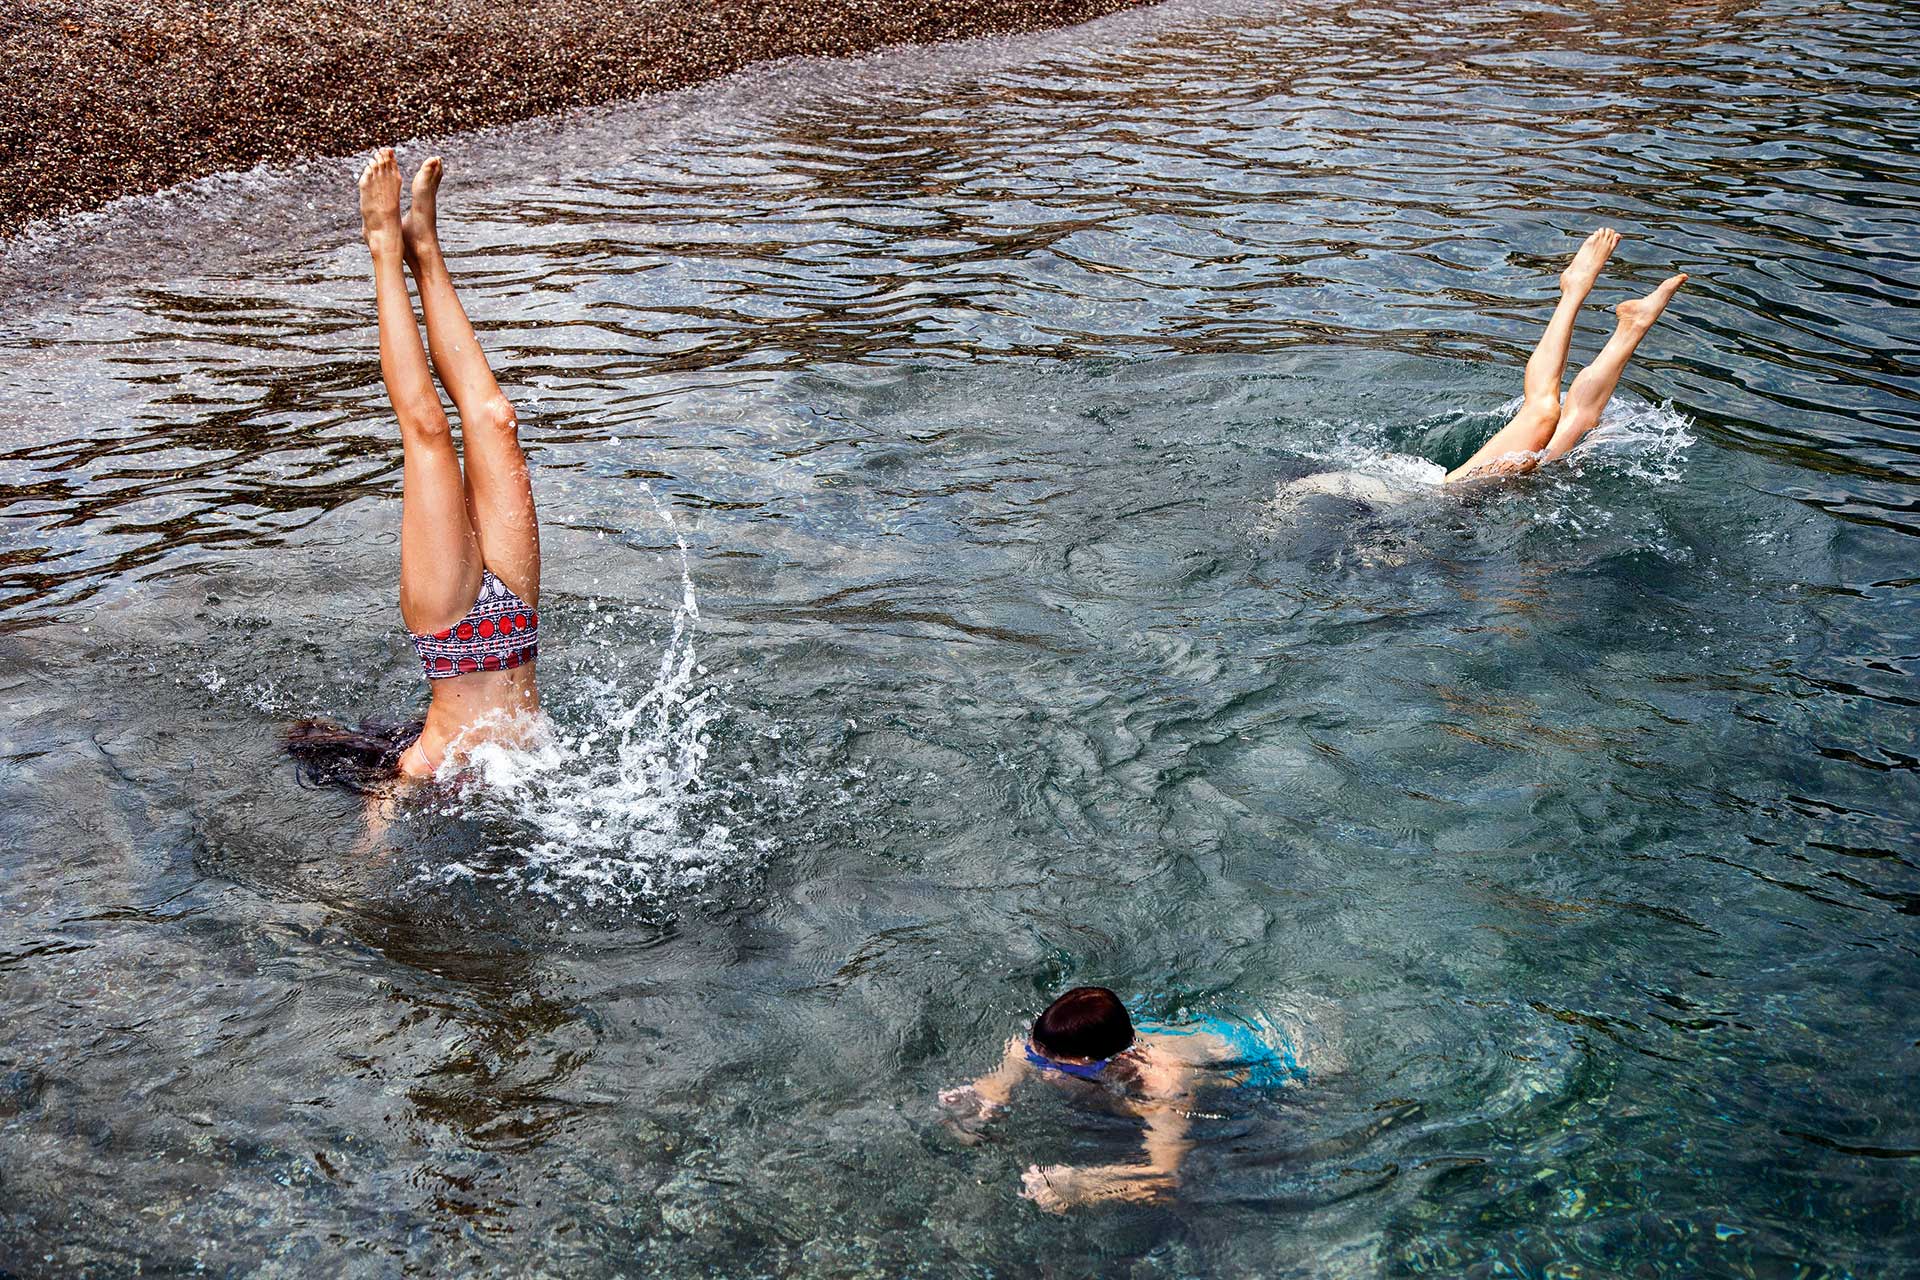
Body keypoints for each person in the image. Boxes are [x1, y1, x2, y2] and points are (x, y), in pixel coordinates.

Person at [287, 149, 541, 788]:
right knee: (482, 421)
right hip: (512, 618)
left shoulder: (413, 771)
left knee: (443, 432)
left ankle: (413, 246)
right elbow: (365, 869)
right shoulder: (420, 772)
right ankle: (394, 245)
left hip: (451, 620)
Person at [938, 987, 1303, 1212]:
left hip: (1268, 1073)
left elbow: (1164, 1178)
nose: (1036, 1061)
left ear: (1088, 1062)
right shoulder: (1040, 1043)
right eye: (1036, 1051)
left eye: (1047, 1060)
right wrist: (975, 1105)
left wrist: (1085, 1187)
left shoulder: (1159, 1084)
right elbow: (997, 1085)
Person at [1446, 228, 1686, 482]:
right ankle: (1633, 326)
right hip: (1481, 500)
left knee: (1542, 412)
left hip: (1445, 497)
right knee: (1579, 421)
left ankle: (1573, 289)